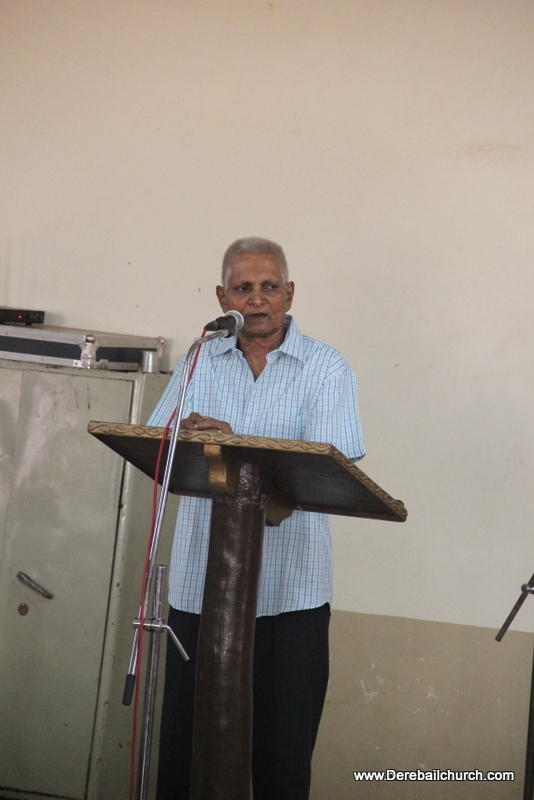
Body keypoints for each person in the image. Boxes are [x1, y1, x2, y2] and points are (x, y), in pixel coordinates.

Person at [149, 237, 365, 800]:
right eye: (242, 288)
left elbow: (328, 470)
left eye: (270, 286)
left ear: (290, 293)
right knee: (186, 757)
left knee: (281, 761)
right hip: (200, 589)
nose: (257, 299)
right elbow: (156, 445)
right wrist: (185, 436)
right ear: (222, 297)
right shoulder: (199, 359)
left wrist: (235, 444)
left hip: (290, 597)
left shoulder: (326, 367)